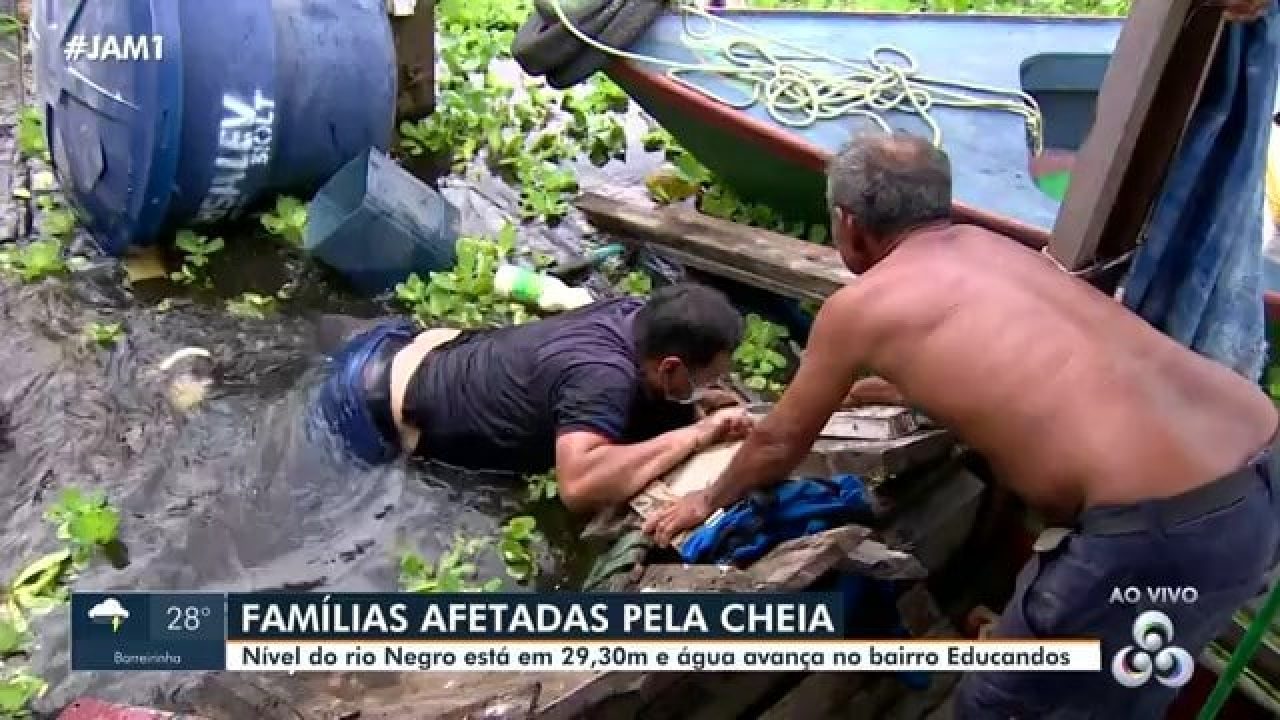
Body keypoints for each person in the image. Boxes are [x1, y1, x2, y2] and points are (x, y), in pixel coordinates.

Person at [643, 131, 1280, 717]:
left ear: (848, 223)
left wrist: (707, 497)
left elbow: (779, 443)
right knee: (1135, 680)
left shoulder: (860, 307)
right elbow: (982, 369)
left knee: (995, 708)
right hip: (1258, 459)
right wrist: (842, 397)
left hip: (1164, 531)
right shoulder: (991, 246)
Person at [312, 283, 753, 513]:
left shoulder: (630, 315)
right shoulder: (601, 378)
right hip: (364, 410)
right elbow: (578, 485)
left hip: (399, 347)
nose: (713, 385)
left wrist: (692, 401)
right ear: (670, 367)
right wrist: (698, 433)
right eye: (706, 377)